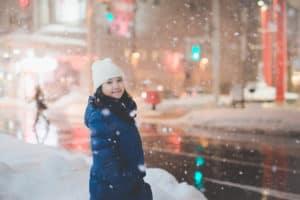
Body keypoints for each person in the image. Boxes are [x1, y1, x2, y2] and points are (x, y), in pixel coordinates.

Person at [84, 58, 152, 200]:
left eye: (119, 80)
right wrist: (128, 185)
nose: (116, 85)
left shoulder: (121, 110)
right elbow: (105, 161)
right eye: (109, 82)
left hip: (128, 184)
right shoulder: (100, 116)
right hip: (114, 190)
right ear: (99, 87)